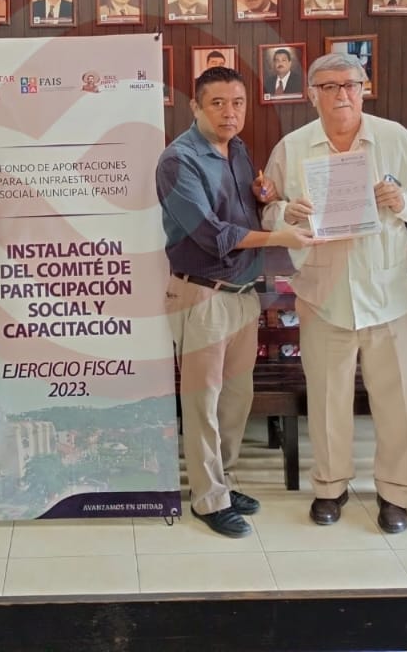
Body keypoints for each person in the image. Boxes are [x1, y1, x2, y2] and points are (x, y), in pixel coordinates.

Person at [262, 53, 407, 533]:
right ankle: (330, 486)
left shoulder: (395, 139)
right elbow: (268, 209)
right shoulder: (292, 147)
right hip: (324, 295)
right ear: (311, 94)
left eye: (351, 84)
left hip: (387, 293)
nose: (342, 94)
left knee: (395, 402)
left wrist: (404, 201)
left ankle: (396, 493)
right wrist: (287, 213)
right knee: (327, 400)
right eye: (329, 86)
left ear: (364, 89)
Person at [156, 66, 311, 537]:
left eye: (238, 103)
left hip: (245, 294)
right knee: (202, 401)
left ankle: (220, 480)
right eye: (218, 103)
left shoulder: (239, 150)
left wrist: (263, 196)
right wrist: (279, 236)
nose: (229, 112)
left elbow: (242, 211)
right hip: (202, 294)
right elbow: (211, 235)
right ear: (196, 107)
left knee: (236, 399)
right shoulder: (177, 161)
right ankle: (208, 498)